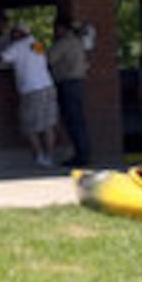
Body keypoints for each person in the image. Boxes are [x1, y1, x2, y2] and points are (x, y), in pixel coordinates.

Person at [0, 21, 60, 168]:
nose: (11, 35)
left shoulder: (17, 46)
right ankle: (49, 157)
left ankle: (39, 157)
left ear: (19, 33)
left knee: (29, 125)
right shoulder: (37, 44)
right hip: (47, 86)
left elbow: (2, 58)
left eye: (13, 32)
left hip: (31, 89)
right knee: (48, 125)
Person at [48, 16, 92, 168]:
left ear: (62, 28)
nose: (54, 31)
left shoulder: (64, 42)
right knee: (78, 120)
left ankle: (81, 156)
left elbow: (49, 58)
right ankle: (84, 154)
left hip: (68, 83)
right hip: (77, 83)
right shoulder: (78, 41)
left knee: (73, 121)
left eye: (55, 28)